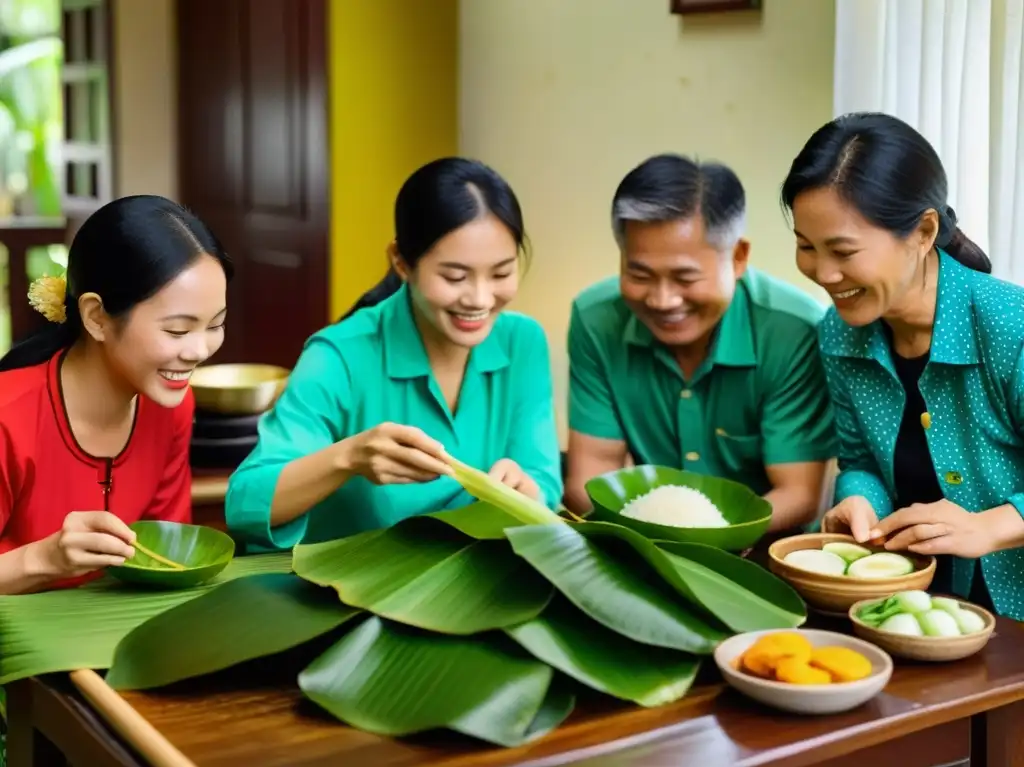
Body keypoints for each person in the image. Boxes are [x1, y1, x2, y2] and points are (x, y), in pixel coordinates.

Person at [225, 157, 562, 551]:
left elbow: (544, 481)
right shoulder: (338, 356)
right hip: (350, 596)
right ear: (401, 262)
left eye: (502, 273)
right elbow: (246, 504)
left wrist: (527, 490)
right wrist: (348, 457)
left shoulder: (523, 341)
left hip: (480, 581)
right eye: (455, 277)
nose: (481, 298)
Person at [784, 111, 1024, 620]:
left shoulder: (1010, 326)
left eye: (843, 251)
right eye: (806, 247)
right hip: (908, 612)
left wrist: (989, 526)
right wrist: (857, 500)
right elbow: (861, 461)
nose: (823, 273)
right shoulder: (838, 331)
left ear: (922, 231)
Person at [563, 153, 836, 531]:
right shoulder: (596, 320)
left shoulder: (795, 330)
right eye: (638, 273)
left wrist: (703, 538)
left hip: (764, 551)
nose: (662, 300)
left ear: (738, 257)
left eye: (685, 278)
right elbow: (591, 475)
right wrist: (650, 540)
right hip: (640, 544)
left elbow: (798, 494)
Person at [0, 195, 231, 594]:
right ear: (96, 317)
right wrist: (44, 558)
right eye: (177, 330)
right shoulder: (8, 415)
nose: (199, 351)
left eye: (215, 325)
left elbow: (168, 556)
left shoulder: (171, 406)